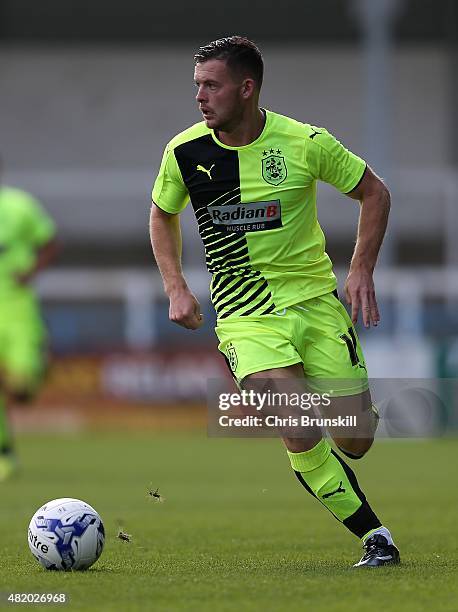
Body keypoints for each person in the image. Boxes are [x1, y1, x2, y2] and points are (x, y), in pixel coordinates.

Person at [150, 36, 400, 568]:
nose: (200, 96)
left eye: (211, 85)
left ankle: (346, 427)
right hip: (245, 319)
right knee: (297, 422)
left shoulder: (305, 142)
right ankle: (374, 535)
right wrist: (175, 285)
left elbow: (374, 191)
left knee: (355, 439)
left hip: (314, 304)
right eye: (197, 86)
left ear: (246, 89)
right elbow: (161, 213)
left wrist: (360, 269)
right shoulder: (184, 152)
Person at [0, 159, 58, 480]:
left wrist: (30, 273)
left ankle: (39, 360)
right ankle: (5, 454)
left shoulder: (20, 206)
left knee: (21, 388)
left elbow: (50, 242)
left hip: (18, 308)